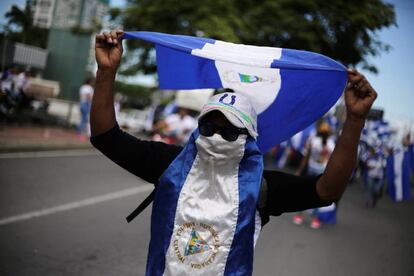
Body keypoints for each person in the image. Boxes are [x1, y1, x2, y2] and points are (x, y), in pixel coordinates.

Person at [90, 30, 377, 276]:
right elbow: (107, 138)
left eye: (229, 132)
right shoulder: (170, 164)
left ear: (249, 138)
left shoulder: (261, 187)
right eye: (208, 127)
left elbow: (328, 190)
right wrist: (106, 72)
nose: (216, 137)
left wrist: (354, 120)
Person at [293, 121, 337, 229]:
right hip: (323, 171)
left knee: (306, 192)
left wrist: (299, 170)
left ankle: (299, 216)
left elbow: (306, 157)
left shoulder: (313, 140)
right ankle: (315, 219)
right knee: (319, 195)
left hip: (311, 168)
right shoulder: (332, 144)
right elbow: (332, 161)